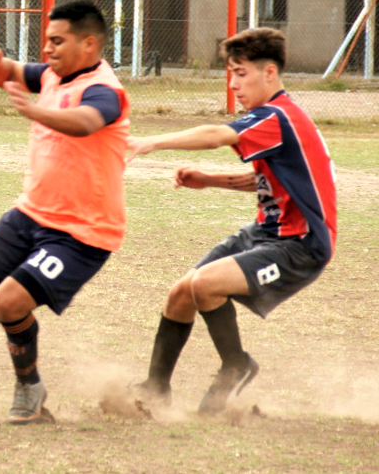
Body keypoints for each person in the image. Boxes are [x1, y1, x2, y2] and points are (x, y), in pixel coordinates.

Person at [0, 1, 130, 424]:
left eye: (56, 40)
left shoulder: (104, 90)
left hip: (82, 233)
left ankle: (30, 388)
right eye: (45, 40)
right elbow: (10, 74)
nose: (46, 49)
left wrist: (36, 112)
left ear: (88, 44)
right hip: (31, 214)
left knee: (10, 301)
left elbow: (86, 122)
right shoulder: (51, 73)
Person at [126, 27, 337, 415]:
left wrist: (151, 142)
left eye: (240, 73)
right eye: (230, 72)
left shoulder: (276, 116)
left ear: (269, 72)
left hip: (301, 244)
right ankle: (155, 387)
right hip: (267, 232)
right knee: (181, 294)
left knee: (205, 285)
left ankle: (236, 364)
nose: (233, 82)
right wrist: (210, 181)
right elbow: (271, 183)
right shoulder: (272, 119)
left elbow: (215, 135)